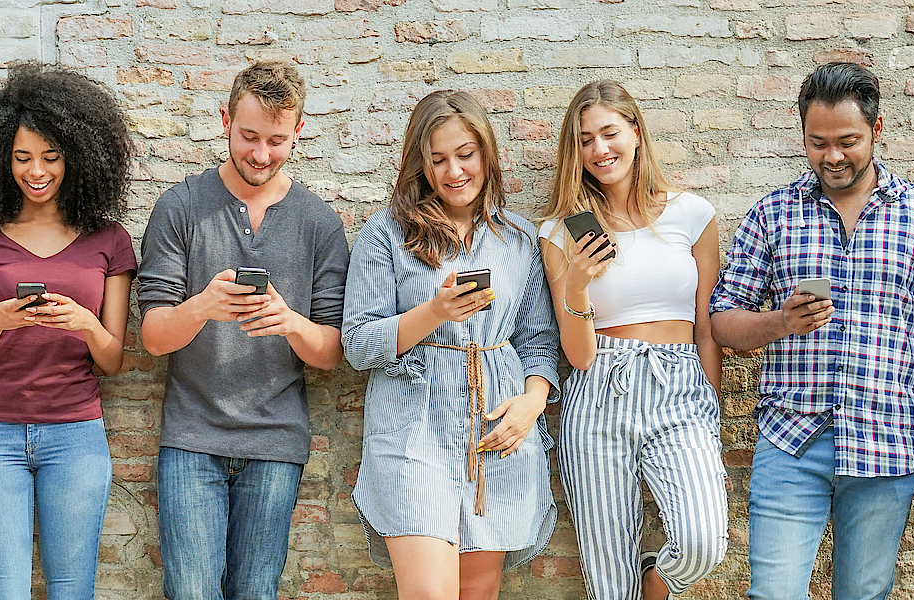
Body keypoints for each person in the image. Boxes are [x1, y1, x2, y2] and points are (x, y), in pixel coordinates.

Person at [709, 62, 914, 600]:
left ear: (877, 129)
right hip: (791, 444)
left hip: (885, 442)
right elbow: (722, 321)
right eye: (817, 142)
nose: (832, 156)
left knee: (865, 594)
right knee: (773, 594)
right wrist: (781, 321)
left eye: (847, 141)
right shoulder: (771, 215)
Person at [135, 60, 349, 600]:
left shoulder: (319, 223)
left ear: (299, 131)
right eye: (249, 135)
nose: (260, 154)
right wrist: (203, 305)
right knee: (191, 591)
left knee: (256, 592)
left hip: (276, 440)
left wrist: (290, 322)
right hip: (191, 436)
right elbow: (154, 337)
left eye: (277, 141)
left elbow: (330, 352)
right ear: (225, 119)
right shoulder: (180, 208)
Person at [342, 89, 561, 600]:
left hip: (494, 434)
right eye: (437, 159)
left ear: (486, 153)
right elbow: (357, 342)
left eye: (465, 155)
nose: (454, 171)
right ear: (419, 163)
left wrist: (531, 404)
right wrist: (433, 312)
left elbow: (539, 340)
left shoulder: (519, 239)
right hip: (413, 433)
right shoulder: (386, 234)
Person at [0, 62, 137, 600]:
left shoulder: (109, 240)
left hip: (76, 435)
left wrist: (83, 322)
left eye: (51, 158)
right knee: (2, 591)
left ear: (77, 158)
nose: (37, 171)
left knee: (72, 590)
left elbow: (113, 360)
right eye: (22, 158)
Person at [537, 80, 727, 600]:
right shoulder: (562, 231)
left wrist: (707, 400)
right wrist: (575, 282)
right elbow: (577, 354)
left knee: (703, 541)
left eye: (609, 133)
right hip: (599, 387)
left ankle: (655, 580)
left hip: (679, 384)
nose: (599, 149)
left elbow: (707, 325)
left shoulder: (692, 215)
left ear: (636, 133)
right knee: (607, 577)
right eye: (584, 140)